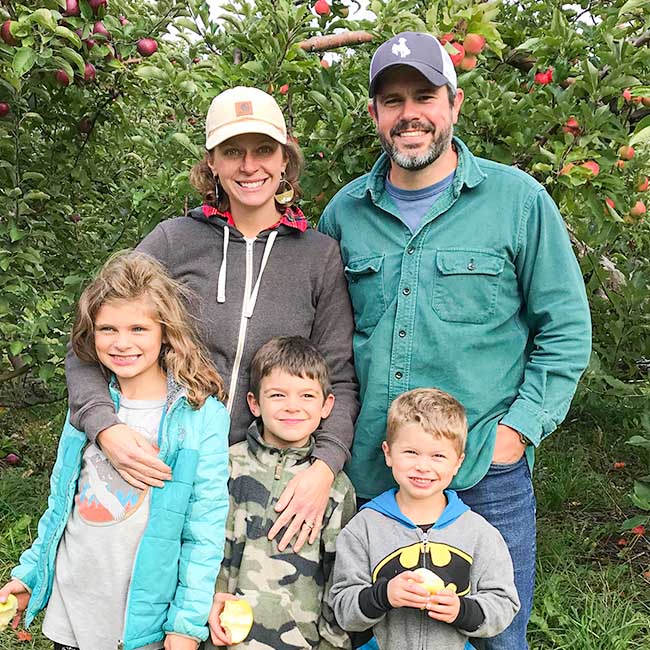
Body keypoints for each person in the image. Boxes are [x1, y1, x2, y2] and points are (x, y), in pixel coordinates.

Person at [318, 31, 592, 649]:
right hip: (371, 475)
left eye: (425, 95)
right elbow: (327, 343)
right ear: (375, 115)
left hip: (480, 477)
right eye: (392, 100)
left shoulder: (517, 201)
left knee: (496, 636)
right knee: (362, 633)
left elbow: (566, 328)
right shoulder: (344, 214)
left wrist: (516, 431)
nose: (409, 112)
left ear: (454, 104)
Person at [65, 86, 358, 552]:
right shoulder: (173, 241)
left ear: (285, 159)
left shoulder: (318, 256)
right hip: (163, 462)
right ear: (212, 162)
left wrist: (324, 467)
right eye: (232, 151)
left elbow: (338, 378)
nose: (249, 165)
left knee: (239, 617)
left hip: (266, 477)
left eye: (264, 149)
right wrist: (105, 425)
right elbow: (88, 342)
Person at [0, 251, 230, 650]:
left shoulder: (200, 416)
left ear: (165, 331)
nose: (122, 343)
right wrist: (30, 576)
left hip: (142, 629)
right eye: (108, 329)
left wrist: (185, 624)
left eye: (139, 328)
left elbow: (203, 531)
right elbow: (60, 509)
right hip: (71, 618)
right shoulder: (87, 411)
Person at [329, 388, 519, 650]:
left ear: (458, 463)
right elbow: (342, 605)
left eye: (438, 456)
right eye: (411, 452)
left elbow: (504, 603)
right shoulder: (364, 528)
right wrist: (384, 595)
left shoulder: (478, 533)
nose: (423, 466)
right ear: (388, 453)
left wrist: (462, 611)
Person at [207, 336, 356, 649]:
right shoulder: (228, 465)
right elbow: (205, 548)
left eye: (306, 395)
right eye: (277, 395)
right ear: (254, 404)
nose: (292, 406)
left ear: (327, 405)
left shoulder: (335, 487)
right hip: (224, 639)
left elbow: (339, 576)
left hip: (302, 641)